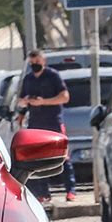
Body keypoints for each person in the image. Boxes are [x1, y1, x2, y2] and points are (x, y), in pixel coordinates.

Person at [16, 49, 74, 200]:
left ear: (43, 61)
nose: (35, 64)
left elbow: (65, 97)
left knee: (63, 157)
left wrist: (44, 102)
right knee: (37, 160)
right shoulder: (28, 79)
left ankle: (71, 190)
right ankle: (43, 193)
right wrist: (26, 102)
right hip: (36, 123)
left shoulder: (53, 76)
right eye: (32, 62)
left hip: (53, 121)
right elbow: (20, 100)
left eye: (37, 61)